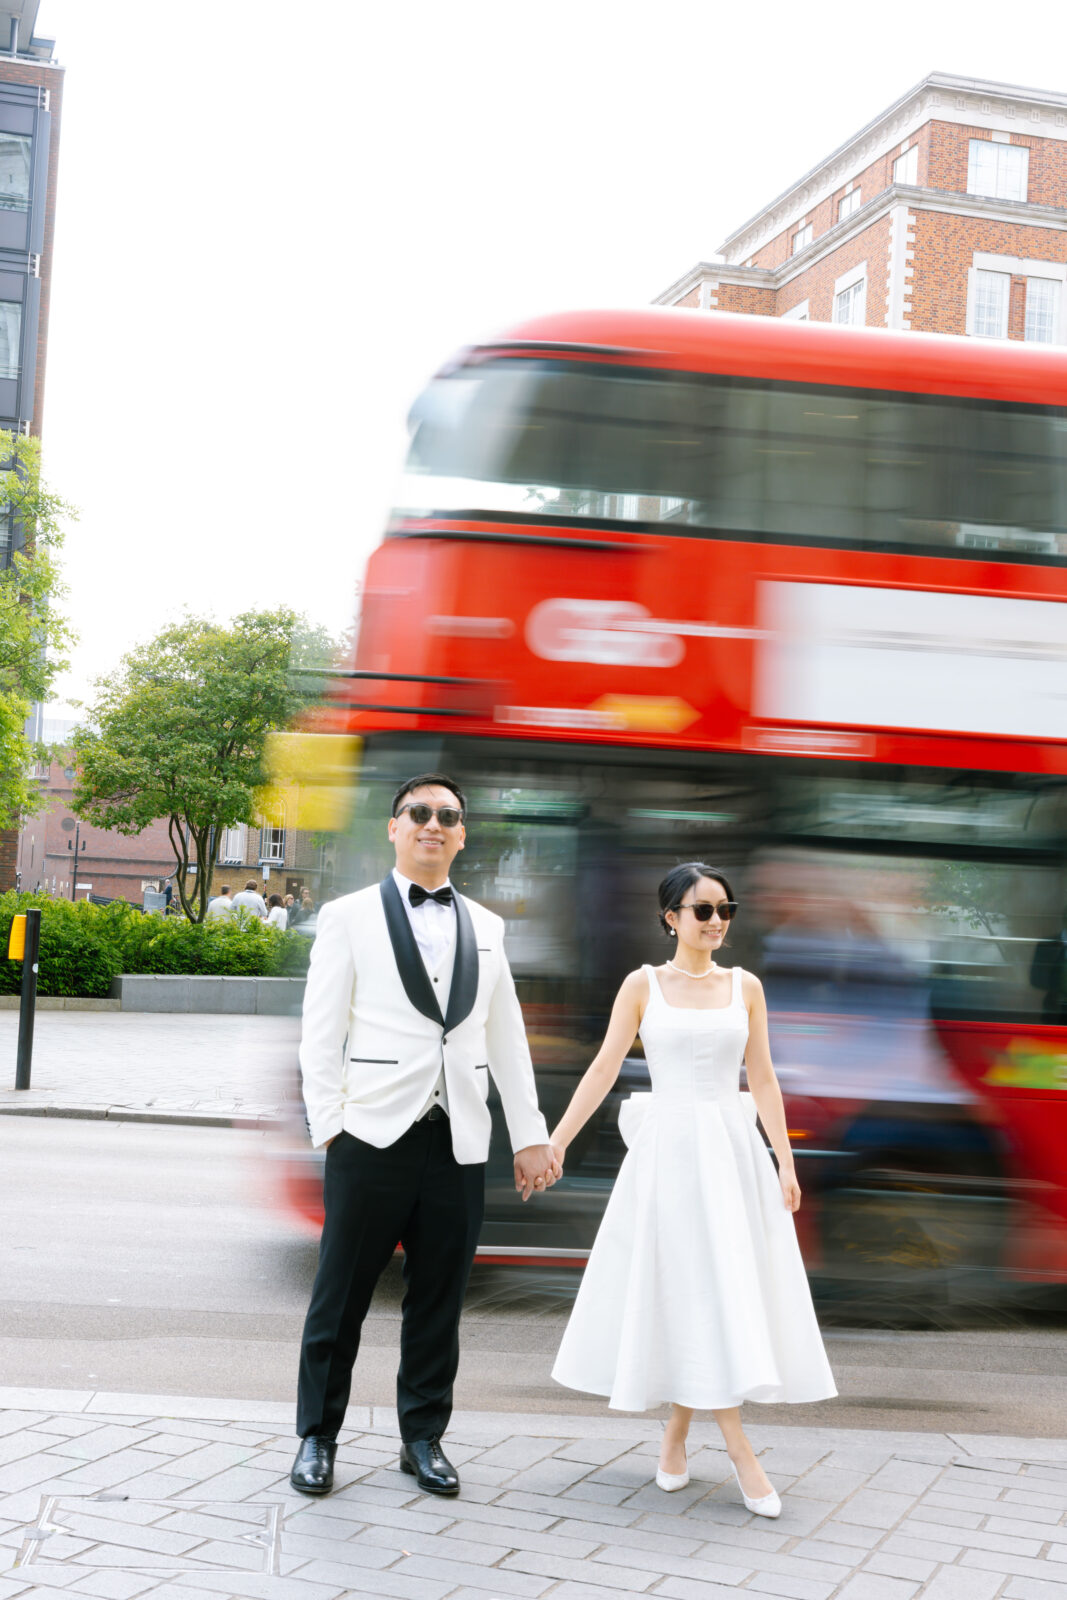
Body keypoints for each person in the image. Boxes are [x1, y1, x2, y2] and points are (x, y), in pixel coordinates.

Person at [291, 773, 561, 1499]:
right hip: (370, 1136)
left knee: (438, 1301)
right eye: (418, 813)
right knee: (339, 1296)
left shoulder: (489, 926)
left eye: (447, 816)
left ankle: (422, 1439)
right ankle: (317, 1438)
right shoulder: (347, 917)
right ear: (394, 826)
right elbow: (320, 1034)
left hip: (458, 1143)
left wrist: (528, 1136)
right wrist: (332, 1129)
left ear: (462, 835)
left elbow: (507, 1040)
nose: (432, 824)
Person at [549, 862, 836, 1518]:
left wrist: (785, 1162)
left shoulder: (746, 986)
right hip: (669, 1157)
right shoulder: (642, 985)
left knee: (715, 1290)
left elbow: (761, 1080)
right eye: (701, 910)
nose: (714, 922)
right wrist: (557, 1140)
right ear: (670, 917)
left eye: (724, 910)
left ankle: (678, 1433)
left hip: (733, 1155)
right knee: (689, 1288)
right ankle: (739, 1450)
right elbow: (602, 1067)